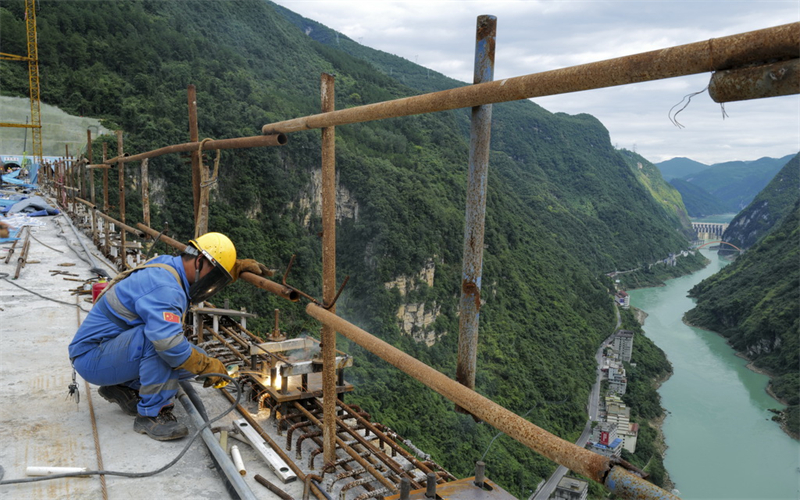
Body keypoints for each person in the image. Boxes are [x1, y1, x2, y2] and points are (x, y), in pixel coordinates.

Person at [68, 232, 272, 441]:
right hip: (91, 357)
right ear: (200, 261)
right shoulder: (167, 288)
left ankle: (121, 387)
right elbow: (168, 345)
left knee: (192, 359)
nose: (214, 285)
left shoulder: (171, 265)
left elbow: (184, 352)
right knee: (165, 347)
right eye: (216, 277)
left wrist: (232, 268)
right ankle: (151, 415)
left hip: (108, 349)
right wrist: (206, 365)